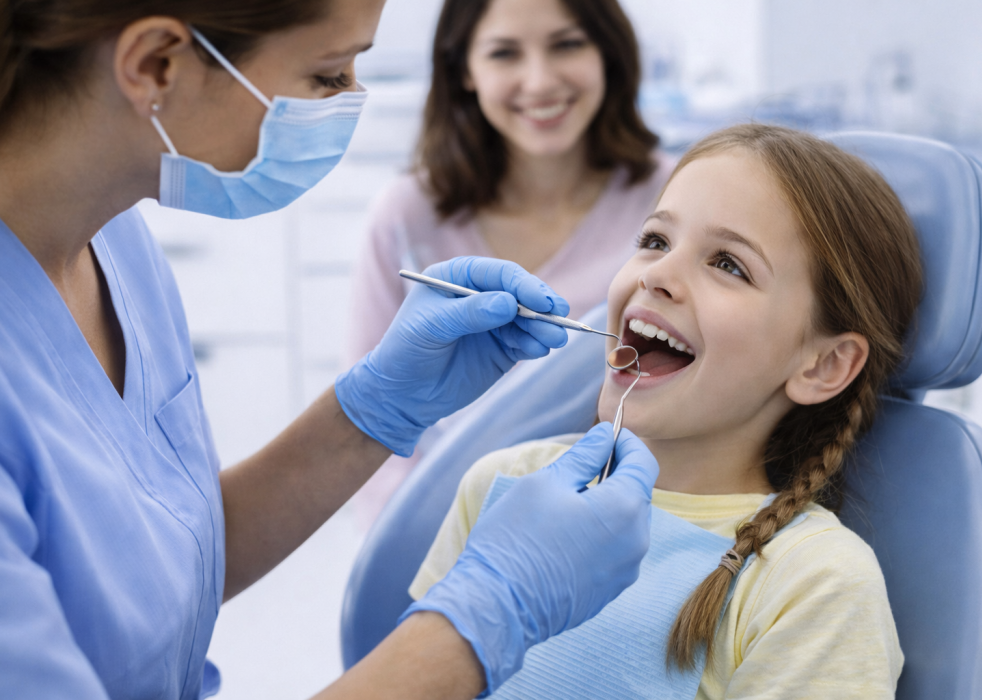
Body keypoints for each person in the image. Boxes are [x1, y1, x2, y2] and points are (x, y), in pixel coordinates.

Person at [0, 1, 661, 698]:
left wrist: (374, 409)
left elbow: (153, 565)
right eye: (326, 73)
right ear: (156, 63)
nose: (352, 100)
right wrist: (496, 607)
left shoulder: (112, 241)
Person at [409, 124, 923, 698]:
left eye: (728, 264)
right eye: (655, 240)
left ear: (823, 365)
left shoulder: (816, 584)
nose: (655, 275)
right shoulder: (504, 486)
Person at [347, 0, 671, 526]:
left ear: (608, 54)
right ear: (464, 72)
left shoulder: (674, 199)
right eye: (504, 53)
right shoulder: (406, 215)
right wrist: (418, 547)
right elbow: (369, 417)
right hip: (450, 523)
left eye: (567, 44)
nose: (540, 81)